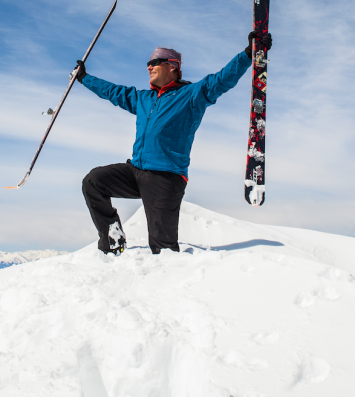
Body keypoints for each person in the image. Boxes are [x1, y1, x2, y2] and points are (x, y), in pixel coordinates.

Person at [74, 31, 272, 255]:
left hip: (165, 178)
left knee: (163, 250)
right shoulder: (143, 99)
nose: (149, 67)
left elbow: (221, 79)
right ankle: (113, 241)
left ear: (172, 66)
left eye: (154, 62)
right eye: (148, 63)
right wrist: (84, 78)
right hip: (136, 170)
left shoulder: (191, 95)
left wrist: (248, 54)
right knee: (94, 181)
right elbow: (113, 92)